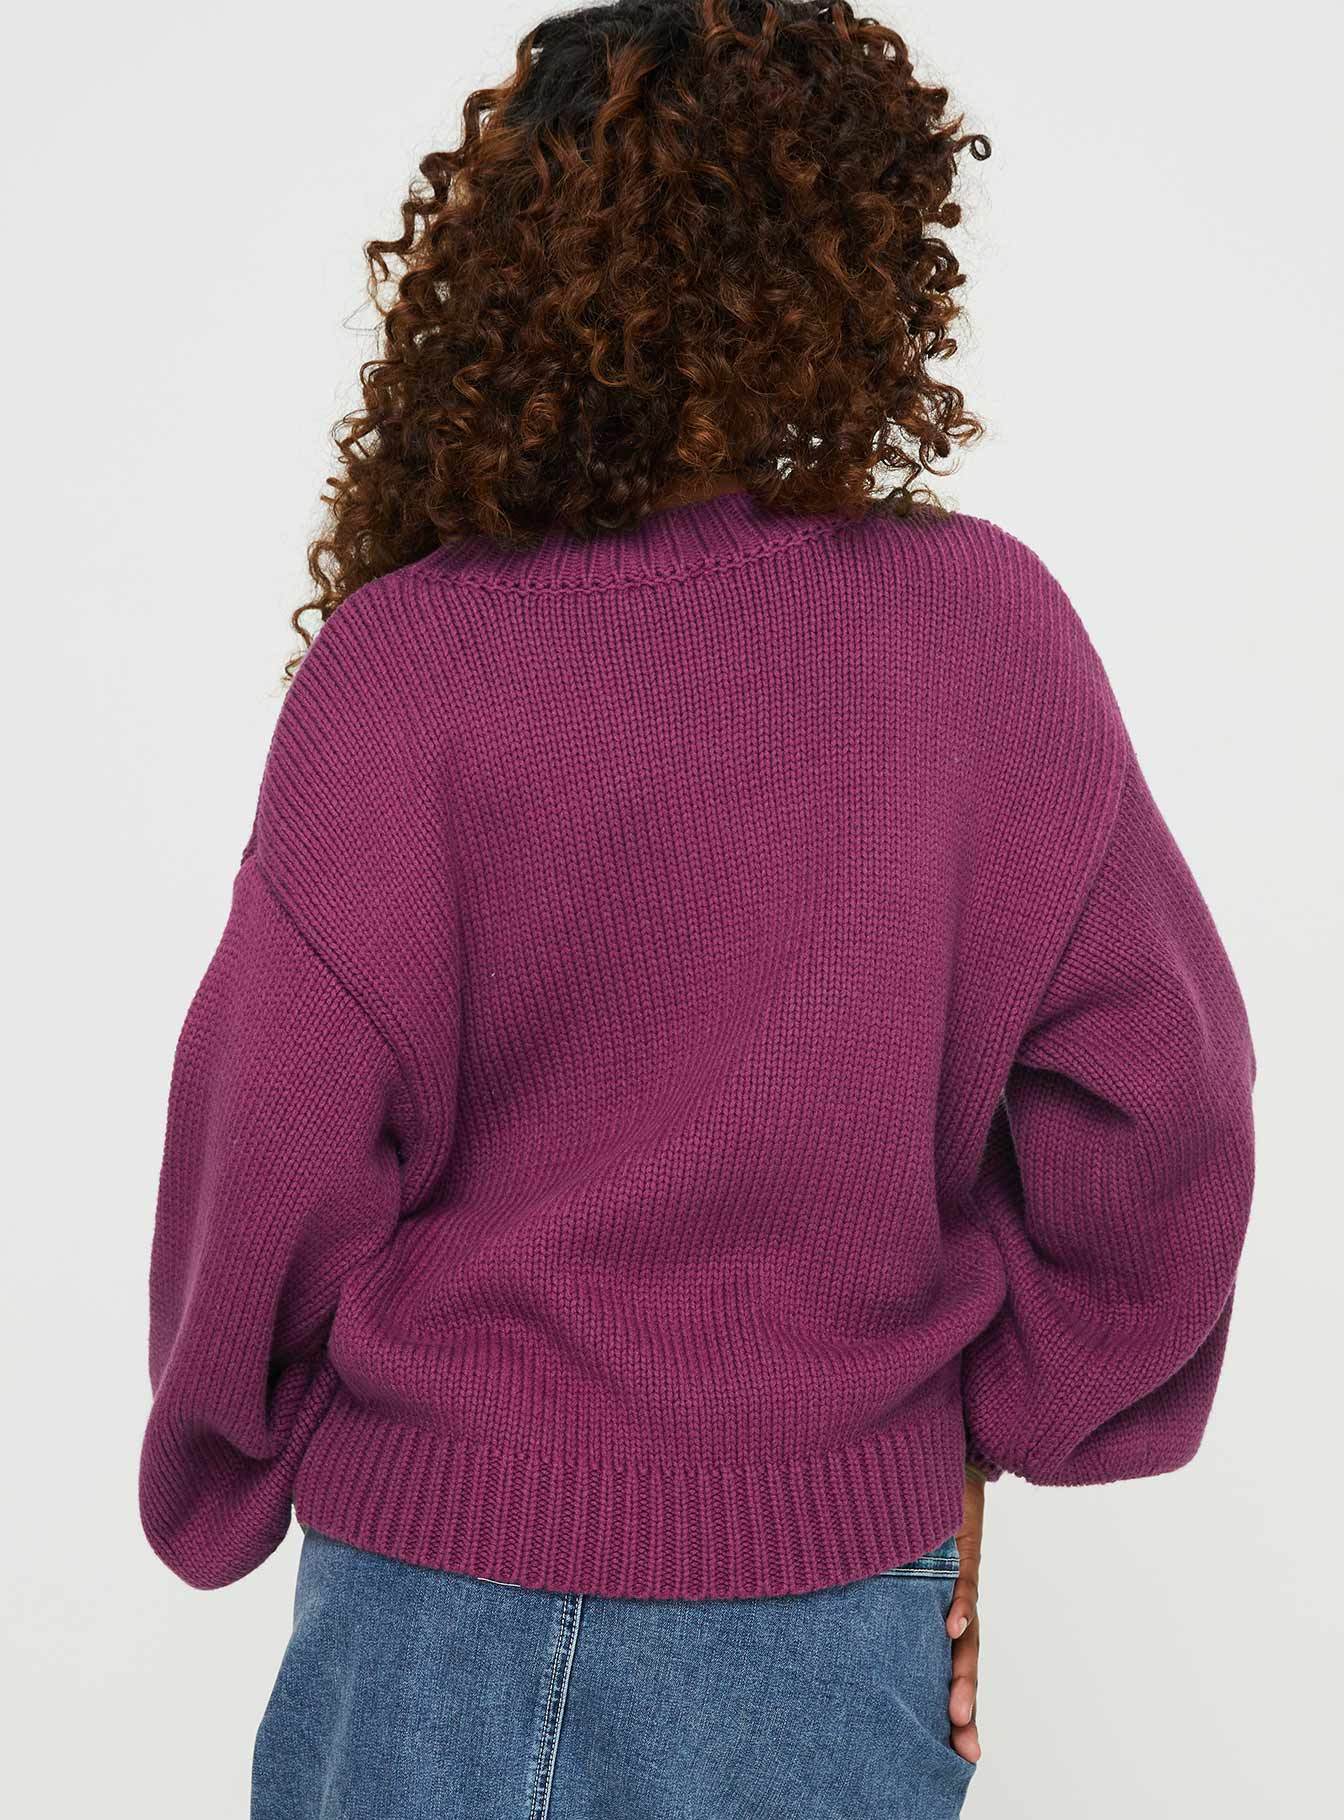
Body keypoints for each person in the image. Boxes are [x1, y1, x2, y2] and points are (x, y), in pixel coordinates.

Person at [138, 4, 1256, 1815]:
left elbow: (273, 1128)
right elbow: (1168, 1100)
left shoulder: (408, 661)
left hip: (434, 1602)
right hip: (827, 1619)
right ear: (853, 255)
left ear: (507, 266)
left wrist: (225, 1451)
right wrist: (991, 1425)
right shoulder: (982, 631)